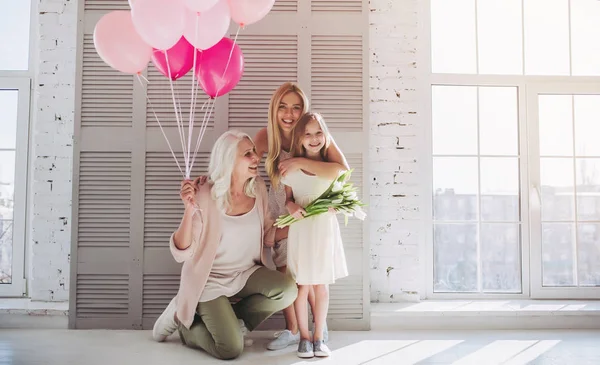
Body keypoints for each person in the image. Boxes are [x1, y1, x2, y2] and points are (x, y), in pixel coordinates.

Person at [151, 130, 297, 360]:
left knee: (287, 290)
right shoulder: (204, 193)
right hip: (210, 281)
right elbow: (182, 253)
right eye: (247, 154)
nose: (255, 158)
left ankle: (232, 322)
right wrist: (189, 210)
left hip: (245, 274)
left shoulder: (257, 188)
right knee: (230, 349)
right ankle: (184, 325)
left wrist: (305, 223)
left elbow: (269, 234)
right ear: (228, 159)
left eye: (254, 152)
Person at [254, 82, 350, 351]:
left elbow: (342, 169)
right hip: (281, 212)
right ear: (275, 110)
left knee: (311, 273)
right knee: (288, 273)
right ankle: (294, 329)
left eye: (296, 107)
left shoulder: (313, 136)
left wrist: (299, 163)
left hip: (309, 215)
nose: (289, 113)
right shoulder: (265, 137)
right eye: (283, 106)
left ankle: (319, 327)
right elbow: (244, 160)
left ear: (304, 111)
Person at [282, 112, 349, 358]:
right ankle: (304, 337)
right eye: (307, 134)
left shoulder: (332, 168)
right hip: (301, 232)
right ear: (299, 137)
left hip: (323, 231)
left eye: (318, 133)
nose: (313, 139)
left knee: (321, 285)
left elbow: (342, 179)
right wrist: (290, 206)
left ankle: (319, 336)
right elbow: (288, 199)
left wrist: (337, 204)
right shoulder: (289, 170)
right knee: (302, 285)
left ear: (326, 135)